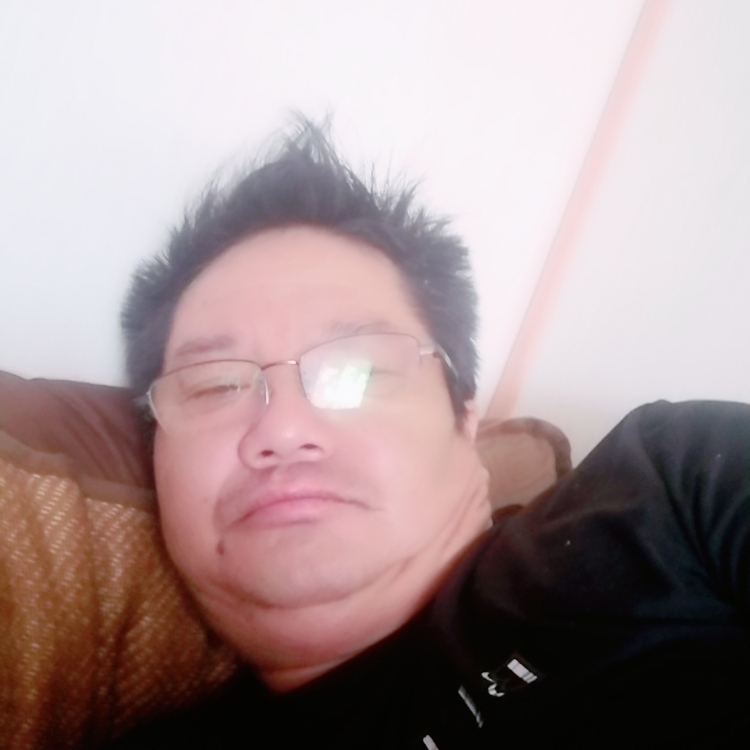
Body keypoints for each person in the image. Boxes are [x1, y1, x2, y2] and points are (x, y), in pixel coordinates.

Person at [112, 123, 750, 748]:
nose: (282, 428)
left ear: (464, 417)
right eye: (216, 386)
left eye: (357, 372)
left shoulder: (669, 485)